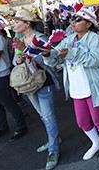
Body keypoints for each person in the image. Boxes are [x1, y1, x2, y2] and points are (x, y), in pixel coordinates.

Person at [42, 7, 99, 163]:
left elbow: (95, 60)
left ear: (88, 24)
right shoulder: (69, 38)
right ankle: (96, 142)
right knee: (82, 122)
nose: (73, 22)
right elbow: (56, 57)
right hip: (77, 87)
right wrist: (48, 54)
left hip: (92, 85)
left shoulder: (94, 38)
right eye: (73, 19)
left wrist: (70, 54)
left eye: (78, 19)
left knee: (98, 119)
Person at [12, 9, 61, 170]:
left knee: (48, 116)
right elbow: (16, 61)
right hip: (27, 83)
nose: (14, 24)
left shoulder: (40, 38)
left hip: (43, 81)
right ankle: (54, 138)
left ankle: (54, 149)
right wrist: (19, 58)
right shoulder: (20, 39)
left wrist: (25, 50)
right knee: (42, 115)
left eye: (17, 21)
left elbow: (47, 60)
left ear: (27, 23)